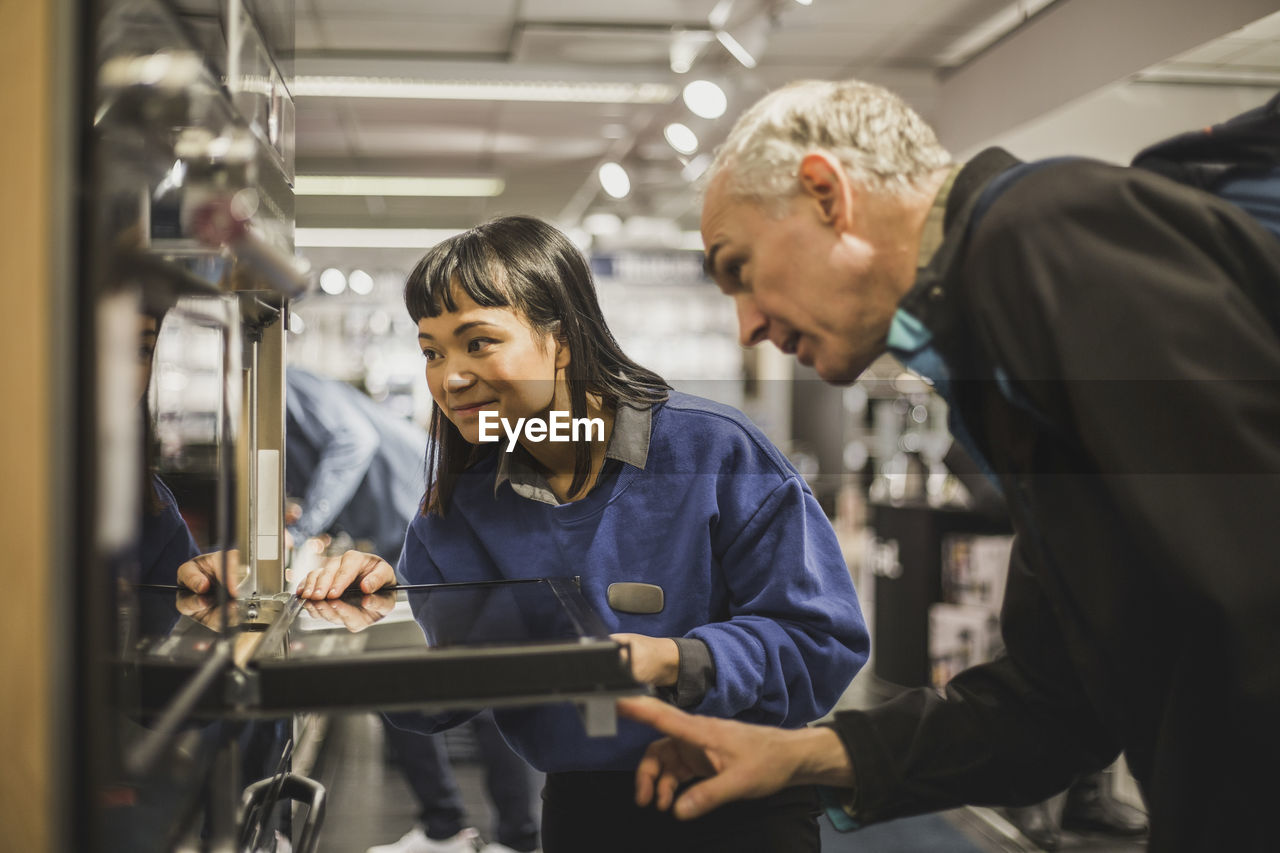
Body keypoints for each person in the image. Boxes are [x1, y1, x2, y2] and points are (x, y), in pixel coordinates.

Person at [612, 78, 1280, 852]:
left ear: (828, 194)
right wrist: (804, 755)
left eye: (741, 268)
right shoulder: (994, 335)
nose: (748, 325)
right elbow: (1055, 701)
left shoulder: (1036, 234)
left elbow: (1257, 610)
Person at [297, 215, 869, 853]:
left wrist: (678, 660)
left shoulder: (712, 449)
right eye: (432, 351)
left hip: (742, 801)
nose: (449, 377)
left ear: (561, 339)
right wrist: (371, 618)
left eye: (478, 342)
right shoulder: (458, 510)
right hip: (582, 812)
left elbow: (823, 638)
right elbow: (436, 701)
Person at [182, 367, 542, 853]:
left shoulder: (281, 380)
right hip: (407, 530)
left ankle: (515, 839)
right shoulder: (272, 402)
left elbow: (354, 441)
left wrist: (303, 527)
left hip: (434, 524)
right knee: (397, 677)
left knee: (475, 678)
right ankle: (446, 828)